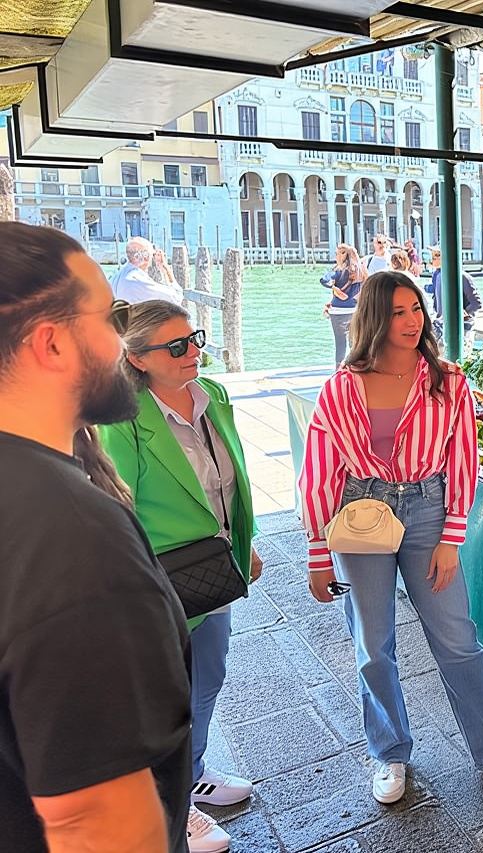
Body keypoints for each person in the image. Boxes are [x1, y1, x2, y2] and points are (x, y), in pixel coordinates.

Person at [298, 270, 483, 806]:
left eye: (416, 310)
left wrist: (453, 536)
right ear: (373, 318)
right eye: (398, 311)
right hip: (360, 510)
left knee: (456, 639)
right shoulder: (340, 387)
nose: (411, 321)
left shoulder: (449, 380)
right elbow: (319, 470)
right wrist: (318, 553)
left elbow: (463, 460)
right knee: (372, 647)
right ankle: (389, 752)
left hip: (428, 510)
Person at [0, 222, 191, 853]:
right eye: (109, 318)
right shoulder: (71, 536)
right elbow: (96, 823)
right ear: (51, 343)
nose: (120, 341)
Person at [98, 300, 264, 853]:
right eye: (175, 347)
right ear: (138, 359)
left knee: (207, 678)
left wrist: (246, 544)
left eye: (192, 338)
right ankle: (169, 806)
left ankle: (187, 775)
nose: (193, 351)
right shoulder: (123, 418)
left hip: (213, 568)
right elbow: (118, 506)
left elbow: (234, 474)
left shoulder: (212, 396)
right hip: (159, 576)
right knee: (164, 694)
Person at [427, 245, 482, 351]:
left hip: (462, 327)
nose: (433, 259)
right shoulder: (437, 275)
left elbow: (476, 303)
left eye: (437, 255)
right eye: (433, 256)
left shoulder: (462, 277)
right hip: (442, 324)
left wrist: (461, 314)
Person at [322, 244, 366, 368]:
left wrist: (334, 288)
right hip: (354, 310)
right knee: (354, 342)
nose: (335, 256)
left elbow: (324, 280)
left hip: (338, 312)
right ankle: (355, 368)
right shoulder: (360, 270)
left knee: (340, 343)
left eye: (337, 253)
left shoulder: (338, 271)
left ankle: (339, 371)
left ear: (343, 255)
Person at [113, 236, 183, 305]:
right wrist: (164, 267)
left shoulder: (117, 276)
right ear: (146, 256)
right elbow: (176, 297)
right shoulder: (138, 281)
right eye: (152, 255)